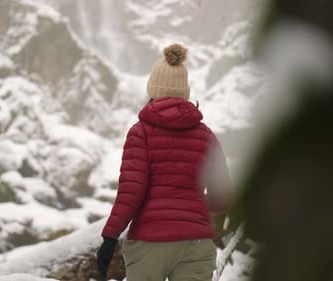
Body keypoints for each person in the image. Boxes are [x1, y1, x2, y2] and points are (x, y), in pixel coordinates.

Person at [96, 43, 231, 281]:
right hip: (196, 244)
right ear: (185, 92)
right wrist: (190, 209)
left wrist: (109, 237)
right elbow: (222, 196)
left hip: (150, 243)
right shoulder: (206, 136)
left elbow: (131, 192)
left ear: (153, 90)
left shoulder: (141, 132)